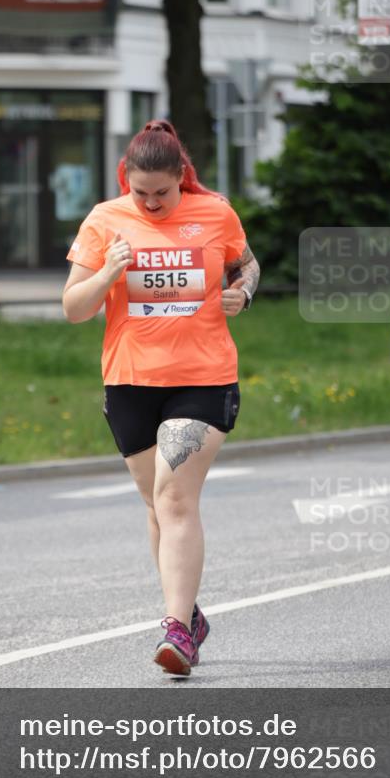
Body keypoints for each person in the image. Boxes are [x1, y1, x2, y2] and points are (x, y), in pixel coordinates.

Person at [62, 120, 260, 676]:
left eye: (162, 193)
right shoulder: (105, 219)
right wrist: (108, 272)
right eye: (140, 192)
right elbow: (74, 308)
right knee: (156, 504)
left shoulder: (215, 213)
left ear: (182, 179)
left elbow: (247, 263)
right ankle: (188, 614)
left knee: (173, 499)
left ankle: (176, 631)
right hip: (130, 382)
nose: (150, 204)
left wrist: (243, 291)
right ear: (126, 179)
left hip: (203, 378)